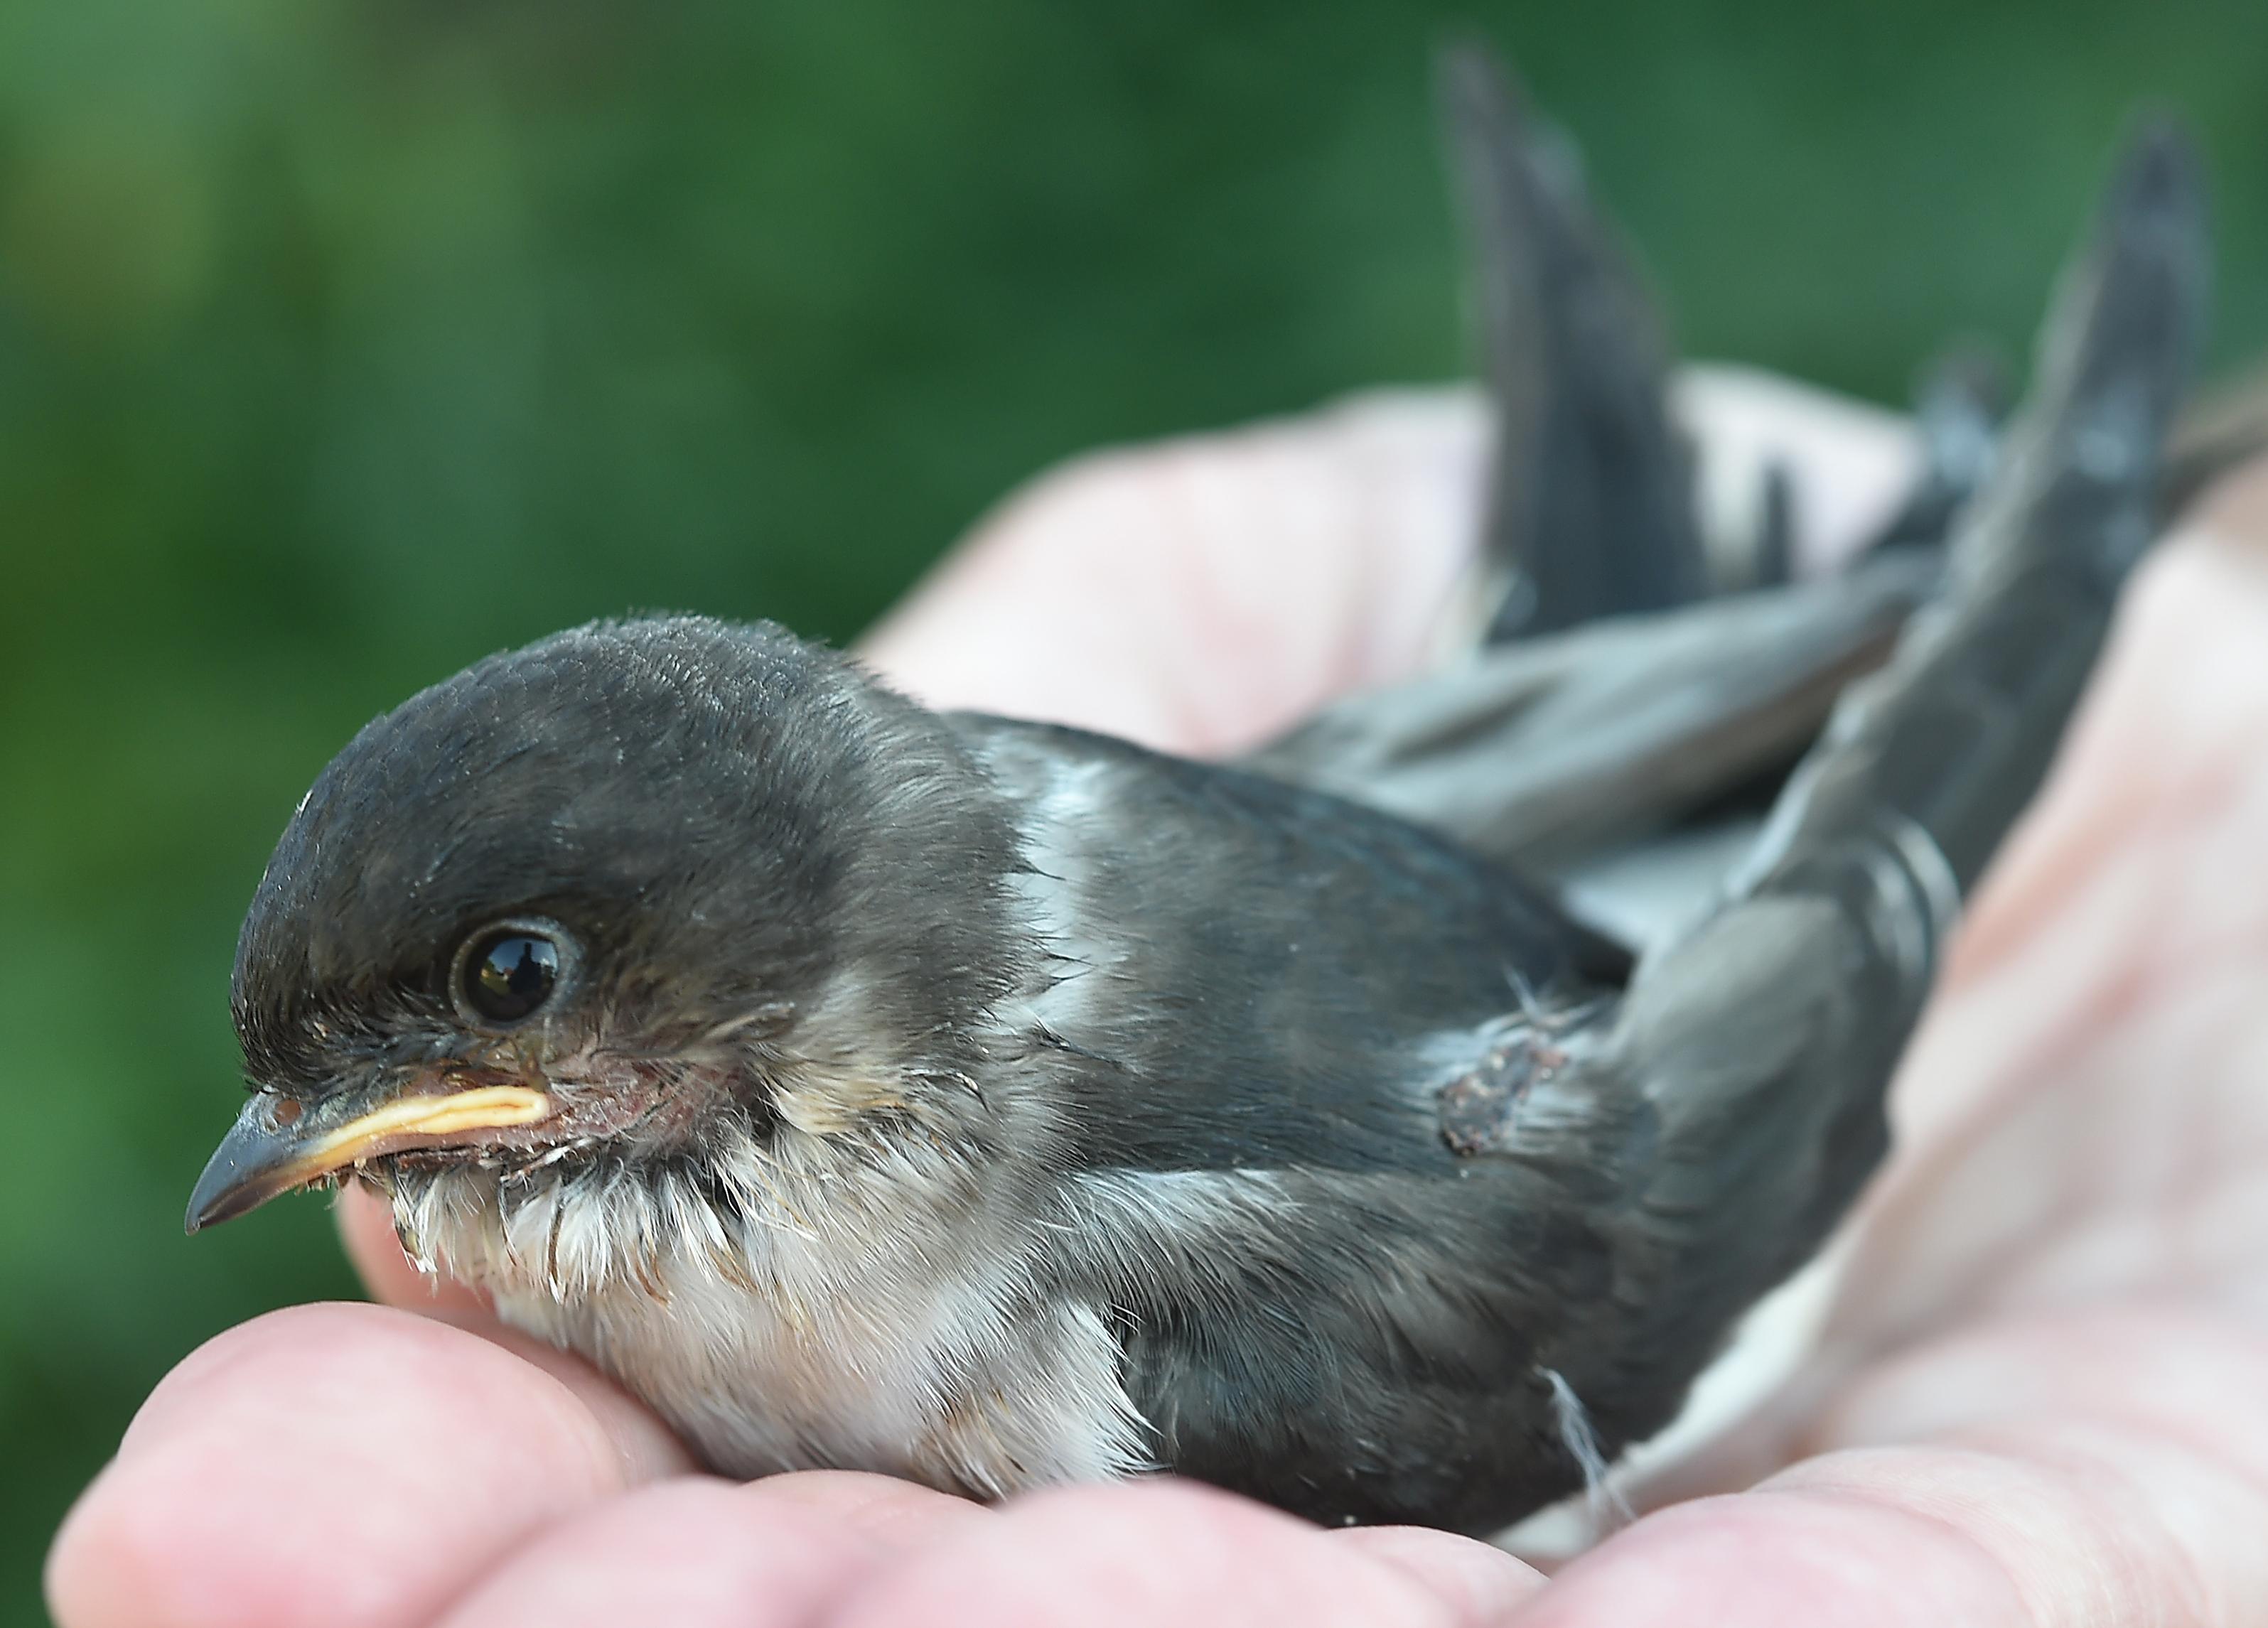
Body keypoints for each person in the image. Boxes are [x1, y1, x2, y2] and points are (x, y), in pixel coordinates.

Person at [46, 372, 2268, 1627]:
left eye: (505, 989)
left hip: (1660, 1047)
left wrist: (1999, 647)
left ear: (735, 945)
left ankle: (2021, 538)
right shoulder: (979, 811)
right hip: (1540, 876)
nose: (359, 1127)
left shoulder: (1168, 1300)